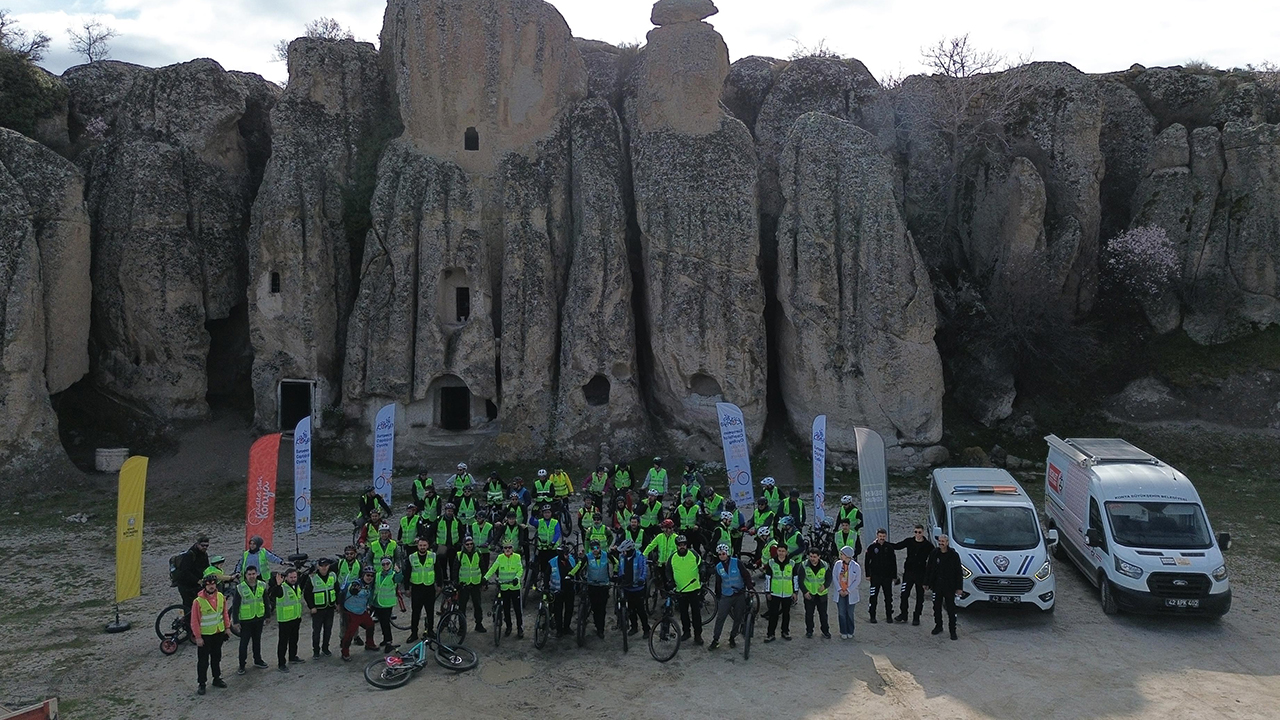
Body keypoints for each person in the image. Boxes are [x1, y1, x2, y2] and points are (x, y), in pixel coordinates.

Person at [191, 569, 231, 695]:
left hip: (218, 633)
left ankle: (217, 678)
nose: (211, 586)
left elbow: (224, 613)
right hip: (205, 636)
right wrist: (198, 637)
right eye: (209, 584)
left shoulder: (221, 597)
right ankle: (202, 683)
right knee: (203, 661)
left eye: (213, 584)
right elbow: (194, 621)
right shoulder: (198, 602)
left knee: (216, 658)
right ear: (205, 586)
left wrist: (227, 628)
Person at [708, 543, 750, 650]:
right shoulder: (718, 567)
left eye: (723, 554)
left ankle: (732, 637)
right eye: (719, 554)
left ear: (727, 553)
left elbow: (746, 575)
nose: (722, 556)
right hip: (726, 595)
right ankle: (715, 639)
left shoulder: (737, 562)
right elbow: (718, 582)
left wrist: (749, 587)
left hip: (739, 594)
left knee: (738, 617)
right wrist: (718, 595)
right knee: (720, 618)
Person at [893, 525, 935, 625]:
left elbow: (934, 556)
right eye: (916, 532)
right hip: (908, 573)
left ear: (923, 532)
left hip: (921, 574)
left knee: (920, 597)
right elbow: (897, 546)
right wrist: (884, 543)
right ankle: (903, 614)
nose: (917, 534)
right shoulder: (909, 541)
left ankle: (916, 617)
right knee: (904, 594)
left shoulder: (928, 545)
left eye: (919, 532)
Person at [231, 565, 269, 674]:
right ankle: (242, 665)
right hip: (246, 620)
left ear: (257, 574)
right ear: (245, 575)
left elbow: (266, 601)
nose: (252, 576)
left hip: (258, 618)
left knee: (257, 641)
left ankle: (258, 660)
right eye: (249, 574)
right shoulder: (240, 588)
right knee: (244, 643)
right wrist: (236, 621)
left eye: (253, 574)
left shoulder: (262, 585)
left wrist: (267, 615)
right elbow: (235, 606)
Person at [925, 534, 964, 640]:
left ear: (947, 542)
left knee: (951, 609)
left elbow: (958, 572)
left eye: (943, 541)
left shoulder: (954, 555)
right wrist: (926, 583)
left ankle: (952, 631)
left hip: (949, 587)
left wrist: (959, 588)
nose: (941, 543)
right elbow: (929, 568)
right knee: (936, 607)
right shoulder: (934, 553)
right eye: (940, 541)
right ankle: (938, 626)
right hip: (937, 586)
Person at [269, 567, 306, 672]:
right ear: (286, 578)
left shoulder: (297, 586)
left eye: (295, 577)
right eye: (291, 577)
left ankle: (293, 656)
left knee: (294, 639)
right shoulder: (282, 587)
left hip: (296, 618)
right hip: (285, 620)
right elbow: (273, 594)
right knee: (283, 643)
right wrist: (278, 585)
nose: (293, 579)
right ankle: (281, 664)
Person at [485, 541, 525, 638]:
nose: (508, 549)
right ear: (503, 549)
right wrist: (485, 578)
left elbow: (520, 569)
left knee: (517, 609)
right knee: (506, 609)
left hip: (514, 587)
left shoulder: (517, 557)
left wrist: (517, 578)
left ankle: (519, 628)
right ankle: (508, 627)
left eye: (509, 547)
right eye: (506, 548)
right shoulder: (500, 558)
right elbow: (493, 568)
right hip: (504, 587)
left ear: (512, 549)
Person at [669, 535, 704, 645]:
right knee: (683, 614)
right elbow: (668, 571)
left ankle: (698, 635)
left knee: (696, 614)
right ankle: (686, 632)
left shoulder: (694, 554)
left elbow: (701, 564)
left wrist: (703, 572)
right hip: (680, 590)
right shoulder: (673, 557)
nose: (682, 547)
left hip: (694, 589)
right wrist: (671, 582)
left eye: (684, 544)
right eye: (680, 545)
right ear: (677, 546)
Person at [613, 539, 650, 638]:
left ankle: (646, 629)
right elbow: (620, 568)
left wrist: (642, 579)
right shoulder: (622, 557)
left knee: (641, 610)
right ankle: (634, 626)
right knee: (631, 609)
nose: (623, 553)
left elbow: (644, 569)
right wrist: (619, 576)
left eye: (624, 550)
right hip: (627, 587)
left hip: (638, 588)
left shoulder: (639, 556)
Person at [762, 543, 799, 642]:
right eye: (779, 551)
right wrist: (768, 592)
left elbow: (795, 578)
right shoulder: (771, 563)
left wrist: (795, 592)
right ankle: (770, 634)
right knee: (773, 615)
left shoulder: (792, 563)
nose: (781, 553)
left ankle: (785, 632)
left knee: (786, 614)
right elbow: (768, 578)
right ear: (777, 551)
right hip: (775, 593)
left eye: (783, 551)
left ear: (786, 552)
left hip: (787, 593)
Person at [339, 568, 378, 660]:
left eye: (372, 575)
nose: (370, 577)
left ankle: (369, 644)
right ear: (363, 575)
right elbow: (352, 590)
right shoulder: (356, 583)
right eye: (368, 575)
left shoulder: (369, 586)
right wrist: (354, 590)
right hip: (351, 612)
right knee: (349, 633)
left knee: (370, 625)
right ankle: (345, 652)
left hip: (361, 612)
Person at [405, 538, 437, 643]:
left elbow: (438, 571)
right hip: (417, 588)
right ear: (417, 546)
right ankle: (414, 633)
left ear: (428, 546)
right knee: (416, 612)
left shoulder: (433, 556)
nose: (422, 547)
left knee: (430, 611)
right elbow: (407, 573)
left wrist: (439, 585)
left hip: (429, 588)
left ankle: (430, 630)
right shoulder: (411, 557)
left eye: (424, 545)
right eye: (420, 545)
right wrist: (407, 588)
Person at [305, 558, 338, 658]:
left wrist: (337, 603)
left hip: (330, 608)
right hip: (318, 610)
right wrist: (312, 607)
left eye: (326, 565)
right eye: (322, 566)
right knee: (317, 632)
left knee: (328, 630)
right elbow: (307, 594)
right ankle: (316, 651)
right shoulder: (312, 578)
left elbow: (337, 589)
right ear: (318, 566)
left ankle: (325, 648)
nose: (324, 568)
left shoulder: (332, 575)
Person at [864, 528, 898, 624]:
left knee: (888, 597)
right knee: (873, 596)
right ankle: (872, 616)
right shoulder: (872, 547)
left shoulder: (889, 547)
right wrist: (868, 574)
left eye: (883, 536)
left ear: (885, 536)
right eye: (880, 536)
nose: (882, 538)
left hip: (887, 576)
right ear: (877, 536)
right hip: (875, 576)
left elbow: (893, 562)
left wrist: (894, 576)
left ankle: (889, 616)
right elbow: (867, 561)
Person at [581, 541, 613, 639]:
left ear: (600, 547)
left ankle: (600, 629)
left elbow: (616, 563)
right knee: (595, 608)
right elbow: (579, 566)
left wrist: (615, 574)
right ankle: (597, 624)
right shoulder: (587, 557)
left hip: (603, 586)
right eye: (593, 548)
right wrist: (570, 574)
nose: (595, 550)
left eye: (597, 548)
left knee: (602, 609)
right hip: (592, 585)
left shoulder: (606, 555)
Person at [455, 537, 486, 633]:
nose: (469, 546)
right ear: (464, 545)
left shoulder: (478, 553)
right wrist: (456, 582)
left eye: (471, 544)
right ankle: (462, 627)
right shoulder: (459, 555)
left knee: (477, 605)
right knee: (462, 607)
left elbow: (482, 567)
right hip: (464, 585)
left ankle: (479, 624)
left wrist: (484, 580)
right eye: (467, 544)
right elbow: (455, 570)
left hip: (476, 584)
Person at [528, 504, 563, 589]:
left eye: (548, 512)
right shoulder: (540, 522)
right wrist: (533, 515)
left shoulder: (555, 522)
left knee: (553, 567)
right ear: (542, 514)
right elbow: (531, 522)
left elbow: (557, 533)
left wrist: (553, 542)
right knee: (543, 567)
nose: (547, 514)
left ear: (551, 513)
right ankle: (543, 582)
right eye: (545, 513)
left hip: (552, 549)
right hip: (542, 548)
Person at [371, 556, 402, 651]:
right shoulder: (378, 574)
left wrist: (398, 572)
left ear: (391, 564)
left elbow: (399, 579)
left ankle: (389, 642)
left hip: (387, 603)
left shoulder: (393, 574)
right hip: (377, 602)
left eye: (387, 563)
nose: (385, 565)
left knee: (386, 623)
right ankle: (386, 639)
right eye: (383, 564)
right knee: (382, 623)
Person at [175, 536, 212, 613]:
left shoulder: (204, 554)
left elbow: (207, 568)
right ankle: (187, 619)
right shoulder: (190, 555)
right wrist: (197, 580)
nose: (205, 547)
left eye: (207, 546)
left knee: (199, 603)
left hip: (196, 584)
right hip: (185, 584)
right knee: (188, 606)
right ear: (197, 544)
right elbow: (185, 571)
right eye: (203, 545)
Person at [801, 549, 832, 639]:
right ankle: (809, 631)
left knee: (823, 614)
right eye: (810, 556)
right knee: (809, 614)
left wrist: (825, 586)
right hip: (809, 594)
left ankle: (825, 631)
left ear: (819, 557)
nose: (812, 559)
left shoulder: (825, 565)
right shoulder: (804, 565)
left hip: (822, 595)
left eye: (814, 557)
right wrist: (805, 592)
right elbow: (800, 580)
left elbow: (829, 578)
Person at [548, 545, 578, 637]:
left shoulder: (572, 560)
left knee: (569, 609)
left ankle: (567, 627)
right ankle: (559, 630)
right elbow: (546, 575)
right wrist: (546, 588)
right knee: (558, 611)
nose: (567, 555)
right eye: (565, 554)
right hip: (558, 591)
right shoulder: (552, 562)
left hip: (570, 589)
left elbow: (577, 571)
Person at [833, 545, 862, 639]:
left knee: (850, 613)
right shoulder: (837, 564)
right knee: (841, 613)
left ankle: (850, 630)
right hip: (840, 592)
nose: (840, 556)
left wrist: (848, 590)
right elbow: (834, 577)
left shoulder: (856, 566)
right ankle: (843, 631)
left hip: (850, 593)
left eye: (842, 554)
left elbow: (857, 580)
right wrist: (839, 589)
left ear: (847, 555)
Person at [643, 519, 679, 590]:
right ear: (664, 529)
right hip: (661, 563)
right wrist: (644, 555)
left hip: (671, 564)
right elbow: (651, 546)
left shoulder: (676, 537)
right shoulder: (659, 537)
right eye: (669, 528)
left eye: (672, 527)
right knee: (662, 579)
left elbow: (676, 551)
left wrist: (670, 561)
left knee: (671, 580)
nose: (671, 529)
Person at [435, 503, 463, 585]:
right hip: (442, 546)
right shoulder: (438, 520)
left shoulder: (457, 521)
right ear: (445, 511)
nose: (449, 512)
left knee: (453, 565)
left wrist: (460, 543)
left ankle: (453, 580)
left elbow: (461, 533)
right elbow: (431, 532)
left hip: (454, 546)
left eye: (451, 511)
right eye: (448, 510)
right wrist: (434, 543)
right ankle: (444, 580)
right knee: (442, 565)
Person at [471, 511, 496, 577]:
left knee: (485, 567)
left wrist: (487, 543)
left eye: (480, 518)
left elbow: (491, 536)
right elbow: (471, 535)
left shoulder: (489, 526)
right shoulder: (473, 525)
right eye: (477, 518)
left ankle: (484, 580)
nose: (478, 519)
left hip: (485, 551)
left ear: (484, 519)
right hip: (475, 550)